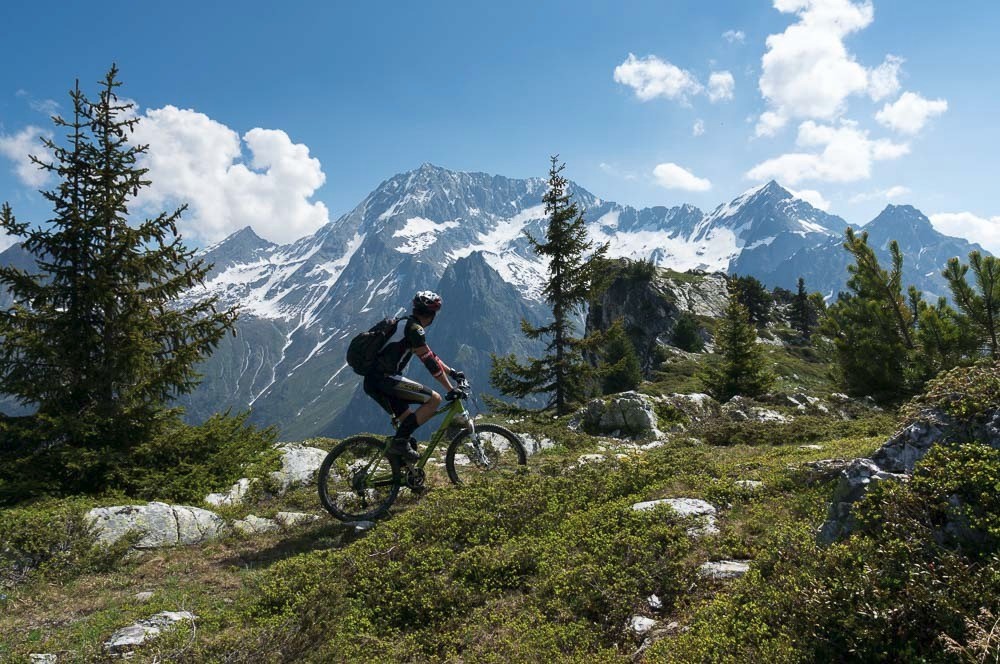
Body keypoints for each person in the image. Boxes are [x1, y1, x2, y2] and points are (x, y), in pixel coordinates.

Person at [363, 290, 464, 462]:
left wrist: (452, 373)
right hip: (385, 379)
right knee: (435, 400)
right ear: (431, 315)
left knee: (408, 423)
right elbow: (430, 363)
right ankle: (399, 443)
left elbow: (430, 355)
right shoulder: (415, 330)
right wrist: (450, 389)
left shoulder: (406, 323)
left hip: (374, 381)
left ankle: (404, 473)